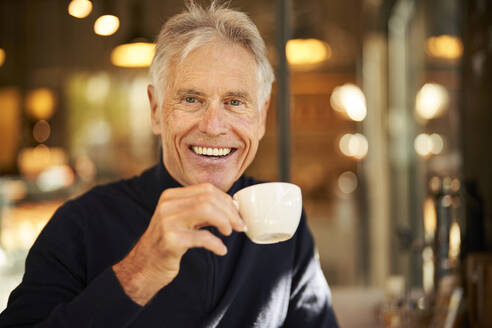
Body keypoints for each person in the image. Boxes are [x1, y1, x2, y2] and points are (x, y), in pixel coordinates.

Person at [0, 1, 338, 327]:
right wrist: (139, 273)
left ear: (262, 117)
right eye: (191, 99)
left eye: (235, 102)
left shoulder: (285, 231)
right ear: (156, 110)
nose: (213, 125)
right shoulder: (79, 226)